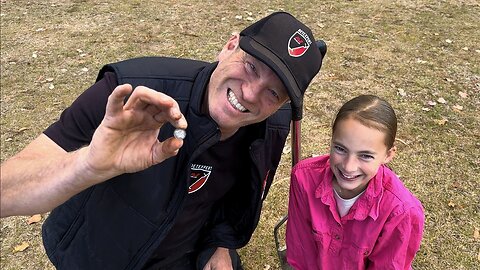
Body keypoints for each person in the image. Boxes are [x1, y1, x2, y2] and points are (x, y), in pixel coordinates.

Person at [0, 12, 326, 270]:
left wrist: (221, 243)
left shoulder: (270, 124)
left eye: (273, 91)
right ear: (229, 45)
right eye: (252, 66)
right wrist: (87, 165)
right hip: (95, 254)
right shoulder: (132, 89)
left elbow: (241, 196)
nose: (251, 94)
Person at [285, 95, 425, 269]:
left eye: (365, 156)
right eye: (340, 149)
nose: (349, 167)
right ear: (331, 140)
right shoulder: (303, 178)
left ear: (388, 155)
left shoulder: (402, 211)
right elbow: (301, 251)